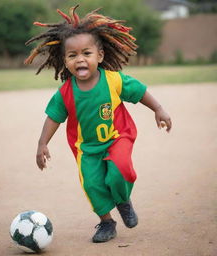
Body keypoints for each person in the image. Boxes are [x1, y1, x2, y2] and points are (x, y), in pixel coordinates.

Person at [25, 5, 172, 243]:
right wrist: (42, 143)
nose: (79, 59)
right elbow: (53, 117)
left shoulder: (113, 80)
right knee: (93, 186)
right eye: (72, 55)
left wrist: (158, 109)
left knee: (119, 171)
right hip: (87, 149)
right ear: (65, 60)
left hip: (117, 137)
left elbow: (139, 91)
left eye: (86, 53)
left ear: (100, 55)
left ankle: (123, 202)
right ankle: (106, 222)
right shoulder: (65, 93)